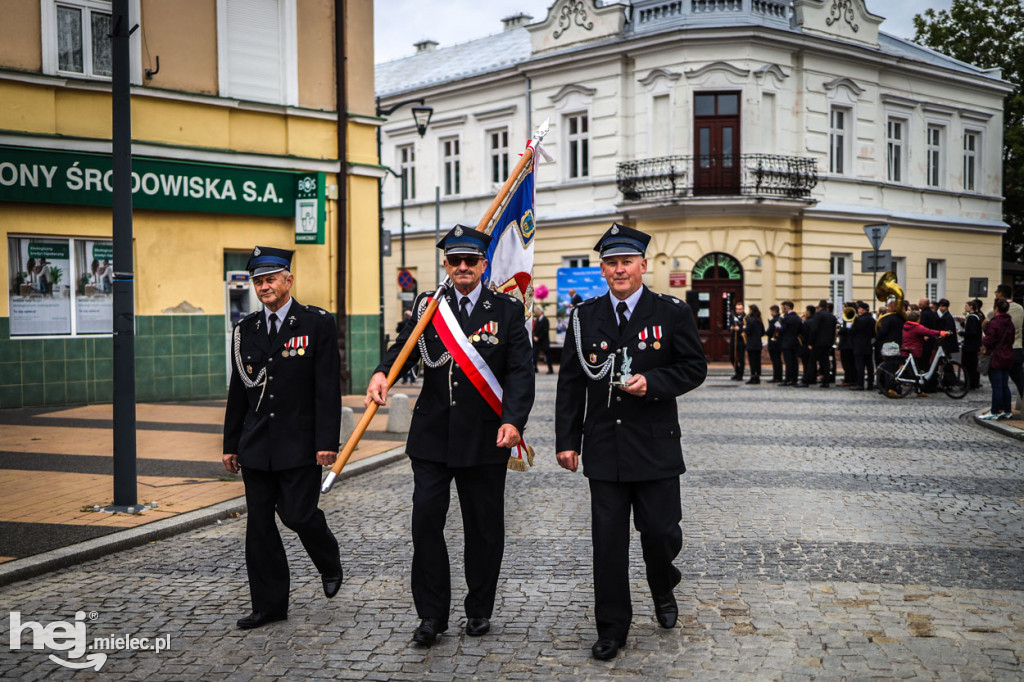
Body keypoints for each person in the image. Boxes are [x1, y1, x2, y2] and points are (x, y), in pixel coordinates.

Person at [365, 225, 534, 646]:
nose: (462, 267)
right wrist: (383, 373)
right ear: (446, 264)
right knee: (425, 523)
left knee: (483, 529)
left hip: (485, 437)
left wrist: (513, 420)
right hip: (433, 437)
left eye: (470, 261)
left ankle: (478, 610)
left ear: (484, 264)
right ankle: (431, 616)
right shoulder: (429, 306)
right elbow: (404, 346)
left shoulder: (507, 310)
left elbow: (520, 373)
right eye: (455, 261)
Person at [555, 224, 707, 661]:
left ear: (643, 265)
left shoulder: (671, 312)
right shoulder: (584, 317)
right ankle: (612, 628)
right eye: (611, 263)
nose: (619, 270)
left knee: (660, 533)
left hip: (656, 446)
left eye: (626, 262)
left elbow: (693, 368)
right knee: (607, 544)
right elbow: (570, 384)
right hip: (604, 446)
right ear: (602, 269)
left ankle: (662, 583)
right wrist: (568, 440)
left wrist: (653, 382)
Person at [222, 245, 343, 630]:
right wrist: (229, 444)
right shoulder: (245, 330)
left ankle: (328, 558)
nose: (264, 286)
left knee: (298, 514)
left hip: (300, 443)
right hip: (256, 445)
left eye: (271, 279)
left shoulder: (317, 323)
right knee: (259, 527)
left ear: (288, 280)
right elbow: (238, 391)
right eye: (258, 281)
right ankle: (269, 606)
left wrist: (327, 441)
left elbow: (327, 388)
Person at [985, 284, 1024, 407]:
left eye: (996, 291)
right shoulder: (1020, 308)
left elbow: (985, 325)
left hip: (1001, 352)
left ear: (1000, 294)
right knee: (1019, 380)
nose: (995, 293)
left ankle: (998, 409)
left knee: (1000, 383)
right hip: (1017, 348)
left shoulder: (994, 312)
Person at [899, 310, 948, 396]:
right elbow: (929, 331)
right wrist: (942, 332)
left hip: (907, 348)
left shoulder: (906, 325)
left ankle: (919, 390)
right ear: (918, 319)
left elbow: (912, 336)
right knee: (918, 370)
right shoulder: (917, 327)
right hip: (915, 350)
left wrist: (922, 337)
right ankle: (919, 389)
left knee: (916, 371)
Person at [981, 298, 1015, 419]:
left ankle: (995, 411)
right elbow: (1011, 339)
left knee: (997, 386)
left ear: (996, 309)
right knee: (1005, 385)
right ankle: (1007, 410)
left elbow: (989, 341)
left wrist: (983, 337)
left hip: (996, 357)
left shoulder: (995, 323)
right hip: (1008, 355)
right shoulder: (1010, 323)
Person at [809, 299, 837, 387]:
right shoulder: (832, 316)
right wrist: (832, 341)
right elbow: (834, 331)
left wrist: (810, 342)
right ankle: (826, 381)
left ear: (820, 306)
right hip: (828, 342)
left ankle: (807, 380)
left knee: (812, 361)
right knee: (825, 362)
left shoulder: (818, 315)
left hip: (818, 342)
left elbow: (814, 329)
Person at [849, 301, 875, 390]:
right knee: (869, 365)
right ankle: (870, 384)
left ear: (863, 310)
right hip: (868, 344)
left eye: (859, 308)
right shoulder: (872, 320)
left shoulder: (858, 319)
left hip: (859, 345)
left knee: (860, 365)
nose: (858, 310)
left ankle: (860, 384)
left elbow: (853, 331)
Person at [961, 299, 983, 391]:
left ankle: (969, 384)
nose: (965, 307)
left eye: (966, 306)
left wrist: (961, 333)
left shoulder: (972, 318)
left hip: (970, 346)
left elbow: (972, 332)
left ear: (971, 307)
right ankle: (974, 383)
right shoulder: (976, 317)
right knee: (973, 365)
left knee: (968, 365)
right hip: (974, 345)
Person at [778, 301, 801, 386]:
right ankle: (794, 379)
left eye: (783, 307)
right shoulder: (797, 318)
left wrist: (777, 323)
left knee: (788, 362)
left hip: (786, 342)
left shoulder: (785, 318)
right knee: (795, 361)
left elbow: (781, 329)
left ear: (786, 307)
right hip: (795, 342)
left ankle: (787, 379)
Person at [744, 304, 764, 384]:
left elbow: (747, 331)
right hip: (758, 343)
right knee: (757, 361)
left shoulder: (750, 320)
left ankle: (753, 377)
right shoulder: (759, 320)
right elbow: (763, 332)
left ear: (751, 311)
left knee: (752, 361)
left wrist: (744, 329)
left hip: (751, 344)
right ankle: (757, 376)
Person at [396, 311, 417, 384]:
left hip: (405, 345)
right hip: (412, 344)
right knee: (412, 363)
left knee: (403, 362)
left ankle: (405, 380)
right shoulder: (412, 323)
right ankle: (412, 379)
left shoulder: (401, 323)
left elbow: (397, 330)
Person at [533, 306, 554, 374]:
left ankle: (550, 369)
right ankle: (535, 368)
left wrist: (538, 337)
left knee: (547, 355)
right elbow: (534, 330)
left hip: (544, 341)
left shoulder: (545, 320)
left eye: (537, 311)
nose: (536, 312)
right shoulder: (537, 320)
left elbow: (545, 330)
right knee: (535, 355)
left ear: (540, 311)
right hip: (537, 341)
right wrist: (534, 336)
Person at [728, 301, 746, 380]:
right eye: (737, 309)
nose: (738, 311)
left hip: (741, 340)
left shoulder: (745, 317)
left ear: (743, 309)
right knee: (732, 357)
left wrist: (740, 329)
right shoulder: (733, 317)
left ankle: (740, 374)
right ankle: (736, 371)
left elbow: (746, 329)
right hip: (733, 340)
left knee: (740, 358)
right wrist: (731, 328)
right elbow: (729, 327)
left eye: (740, 309)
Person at [766, 304, 783, 382]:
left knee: (775, 360)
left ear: (773, 311)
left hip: (774, 343)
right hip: (779, 342)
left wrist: (766, 332)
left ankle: (776, 377)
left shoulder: (774, 320)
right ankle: (779, 376)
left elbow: (771, 331)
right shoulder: (780, 319)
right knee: (778, 360)